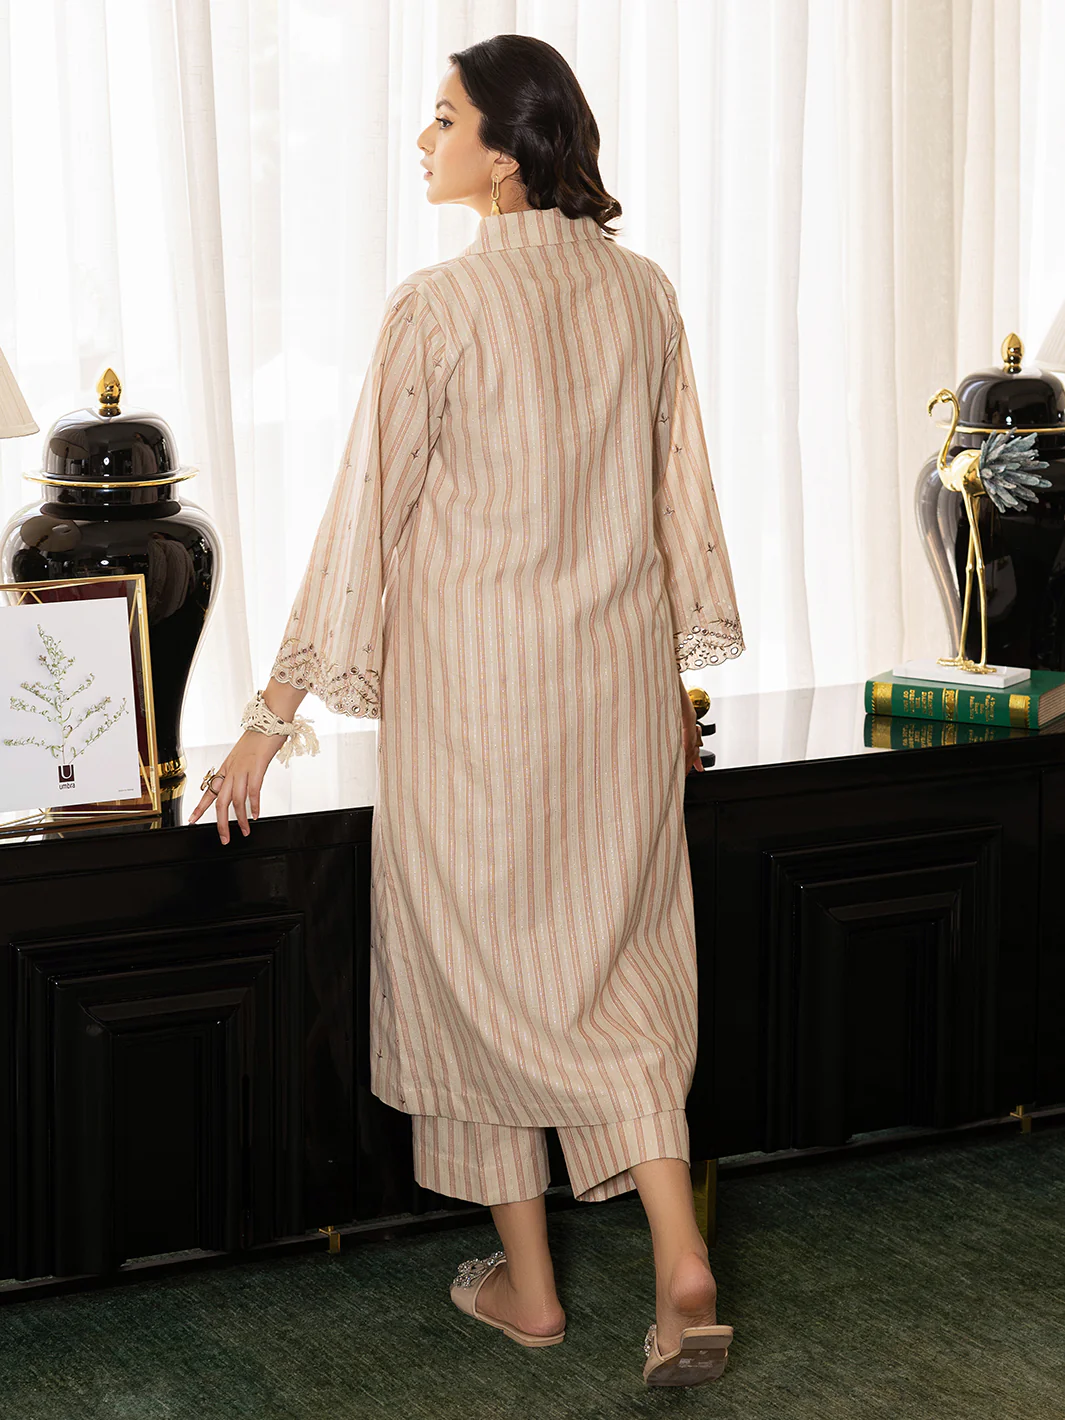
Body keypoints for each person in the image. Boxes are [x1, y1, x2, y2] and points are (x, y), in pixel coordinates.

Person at [189, 33, 744, 1388]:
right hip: (614, 702)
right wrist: (678, 689)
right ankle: (677, 1258)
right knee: (618, 973)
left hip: (474, 715)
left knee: (472, 979)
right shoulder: (643, 294)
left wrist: (270, 714)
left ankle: (534, 1292)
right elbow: (676, 504)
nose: (424, 142)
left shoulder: (436, 309)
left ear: (505, 153)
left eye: (443, 120)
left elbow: (363, 521)